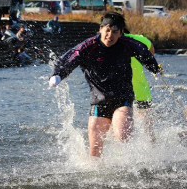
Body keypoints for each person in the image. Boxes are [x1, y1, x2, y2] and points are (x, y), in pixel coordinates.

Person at [48, 12, 161, 157]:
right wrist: (57, 75)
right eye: (107, 30)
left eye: (115, 32)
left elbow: (144, 52)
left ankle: (131, 165)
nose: (110, 35)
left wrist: (154, 68)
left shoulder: (127, 44)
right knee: (94, 152)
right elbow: (69, 58)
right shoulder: (88, 46)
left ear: (121, 33)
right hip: (98, 101)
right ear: (101, 29)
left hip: (122, 99)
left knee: (122, 136)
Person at [124, 29, 157, 143]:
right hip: (141, 90)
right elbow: (151, 48)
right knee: (148, 129)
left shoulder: (108, 41)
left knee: (119, 129)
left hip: (119, 92)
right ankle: (153, 151)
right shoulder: (138, 39)